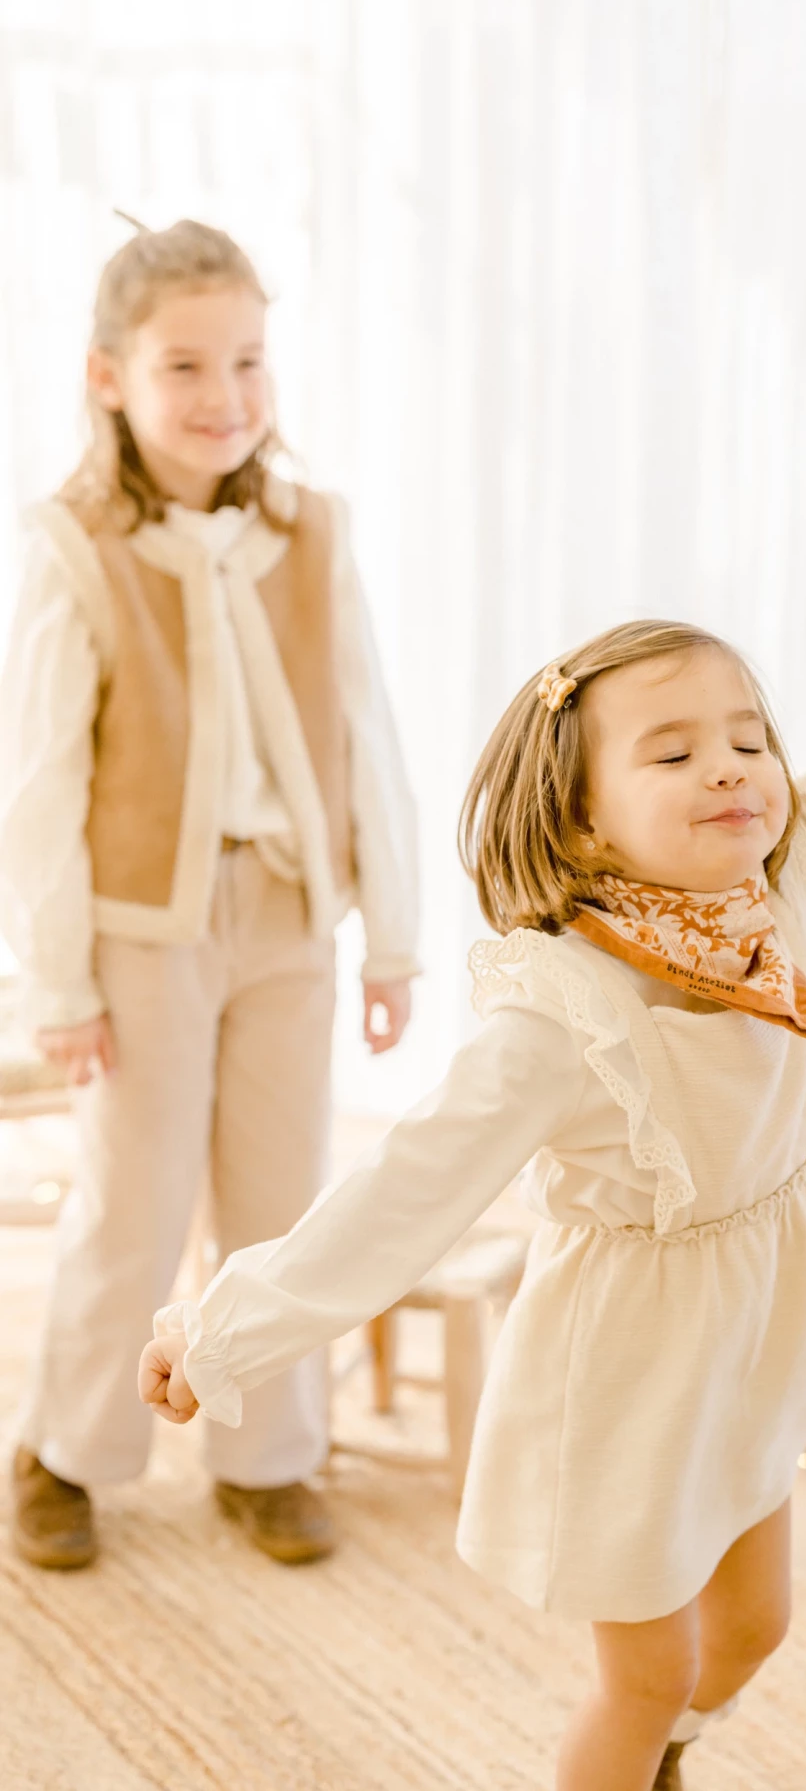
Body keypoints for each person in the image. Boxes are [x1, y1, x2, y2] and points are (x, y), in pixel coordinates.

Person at [138, 446, 806, 1790]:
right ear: (583, 814)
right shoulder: (563, 1013)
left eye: (748, 737)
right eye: (675, 750)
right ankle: (632, 1756)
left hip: (759, 1328)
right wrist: (220, 1329)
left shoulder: (793, 886)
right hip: (635, 1370)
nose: (734, 769)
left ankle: (659, 1759)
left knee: (753, 1633)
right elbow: (403, 1197)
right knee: (642, 1680)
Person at [1, 217, 419, 1572]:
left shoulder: (313, 533)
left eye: (248, 359)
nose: (225, 395)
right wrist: (62, 984)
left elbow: (369, 731)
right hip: (142, 938)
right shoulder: (76, 547)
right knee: (134, 1197)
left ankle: (268, 1453)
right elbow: (42, 784)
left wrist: (392, 937)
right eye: (186, 364)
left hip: (291, 922)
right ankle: (68, 1450)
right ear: (110, 376)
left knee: (283, 1203)